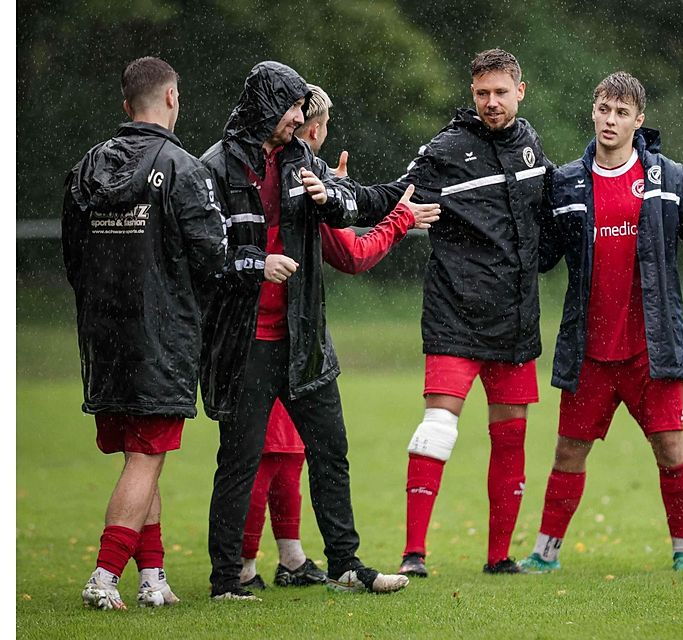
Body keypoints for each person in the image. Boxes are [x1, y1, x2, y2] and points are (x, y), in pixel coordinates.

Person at [518, 71, 683, 575]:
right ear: (593, 111)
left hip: (651, 349)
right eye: (603, 110)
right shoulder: (566, 181)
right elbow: (541, 256)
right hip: (589, 350)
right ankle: (545, 554)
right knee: (568, 451)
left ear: (639, 119)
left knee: (671, 448)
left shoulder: (669, 180)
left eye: (621, 112)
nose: (610, 121)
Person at [200, 60, 423, 599]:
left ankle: (346, 564)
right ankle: (227, 579)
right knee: (239, 459)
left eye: (302, 108)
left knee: (331, 451)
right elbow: (203, 250)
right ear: (267, 108)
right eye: (293, 107)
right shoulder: (215, 166)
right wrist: (258, 265)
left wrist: (349, 197)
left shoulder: (302, 158)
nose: (301, 117)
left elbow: (350, 208)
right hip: (247, 341)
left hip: (304, 339)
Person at [343, 49, 553, 577]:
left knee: (511, 437)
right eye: (482, 93)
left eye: (501, 92)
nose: (491, 102)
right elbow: (392, 196)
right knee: (437, 428)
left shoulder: (530, 145)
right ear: (472, 93)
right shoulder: (446, 149)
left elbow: (548, 218)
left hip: (516, 319)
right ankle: (414, 555)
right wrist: (340, 196)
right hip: (454, 315)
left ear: (519, 92)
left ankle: (499, 557)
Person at [61, 56, 229, 609]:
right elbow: (213, 259)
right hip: (160, 336)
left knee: (136, 453)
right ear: (173, 98)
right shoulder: (182, 167)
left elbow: (73, 256)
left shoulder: (88, 166)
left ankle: (153, 577)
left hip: (103, 337)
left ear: (125, 104)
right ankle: (105, 576)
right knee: (147, 457)